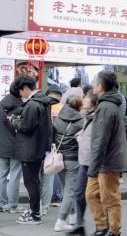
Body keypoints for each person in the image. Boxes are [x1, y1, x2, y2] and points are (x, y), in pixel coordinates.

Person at [86, 71, 127, 236]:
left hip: (108, 161)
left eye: (95, 83)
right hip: (104, 160)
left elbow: (100, 140)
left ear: (100, 86)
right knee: (91, 194)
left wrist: (93, 167)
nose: (93, 86)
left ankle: (114, 230)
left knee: (110, 198)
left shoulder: (106, 107)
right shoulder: (107, 104)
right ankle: (102, 226)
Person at [12, 75, 53, 225]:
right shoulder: (43, 102)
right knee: (35, 181)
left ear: (25, 88)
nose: (20, 95)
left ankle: (35, 214)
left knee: (31, 183)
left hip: (29, 149)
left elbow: (26, 127)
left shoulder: (32, 105)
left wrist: (14, 121)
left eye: (20, 91)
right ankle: (35, 211)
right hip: (39, 148)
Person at [0, 81, 24, 214]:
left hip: (1, 144)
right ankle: (13, 205)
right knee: (14, 175)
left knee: (2, 175)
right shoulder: (21, 107)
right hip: (16, 145)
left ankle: (2, 204)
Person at [68, 91, 98, 236]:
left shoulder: (98, 118)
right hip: (84, 161)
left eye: (86, 98)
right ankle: (80, 225)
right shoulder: (87, 117)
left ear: (93, 101)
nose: (83, 100)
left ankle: (103, 227)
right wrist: (80, 136)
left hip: (93, 162)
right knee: (79, 193)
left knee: (95, 196)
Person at [53, 96, 85, 232]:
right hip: (73, 160)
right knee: (70, 191)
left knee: (67, 189)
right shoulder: (81, 121)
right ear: (78, 106)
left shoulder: (58, 118)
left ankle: (72, 217)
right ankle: (60, 222)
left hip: (59, 159)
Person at [41, 85, 63, 215]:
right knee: (53, 172)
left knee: (45, 176)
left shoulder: (41, 107)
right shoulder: (61, 108)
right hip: (56, 145)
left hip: (43, 145)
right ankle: (54, 198)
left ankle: (42, 205)